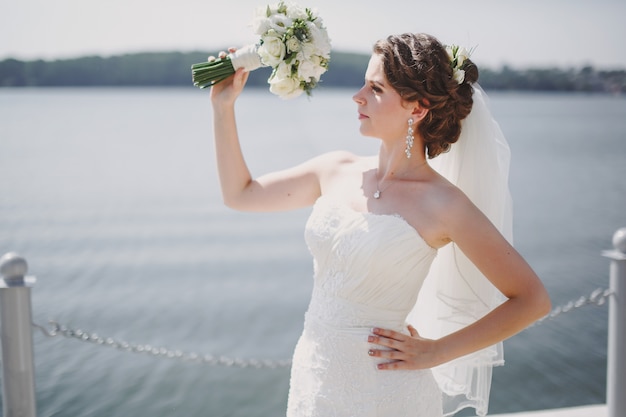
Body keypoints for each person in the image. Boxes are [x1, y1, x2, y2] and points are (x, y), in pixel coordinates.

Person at [209, 33, 551, 417]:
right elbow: (240, 194)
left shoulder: (444, 204)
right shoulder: (335, 168)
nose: (357, 97)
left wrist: (437, 350)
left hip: (386, 394)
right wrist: (223, 108)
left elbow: (532, 299)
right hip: (314, 378)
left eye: (375, 89)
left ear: (417, 109)